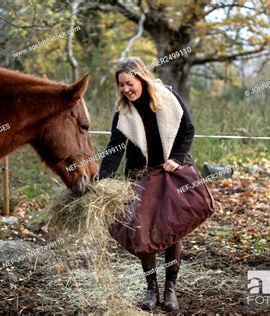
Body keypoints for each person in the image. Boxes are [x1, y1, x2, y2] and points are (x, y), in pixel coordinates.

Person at [98, 57, 195, 312]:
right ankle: (151, 289)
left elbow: (188, 129)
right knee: (143, 232)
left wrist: (176, 158)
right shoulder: (124, 112)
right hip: (139, 175)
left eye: (129, 83)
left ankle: (170, 290)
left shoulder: (168, 98)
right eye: (121, 85)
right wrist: (104, 180)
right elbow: (115, 147)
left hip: (170, 171)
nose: (125, 89)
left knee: (171, 230)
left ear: (141, 77)